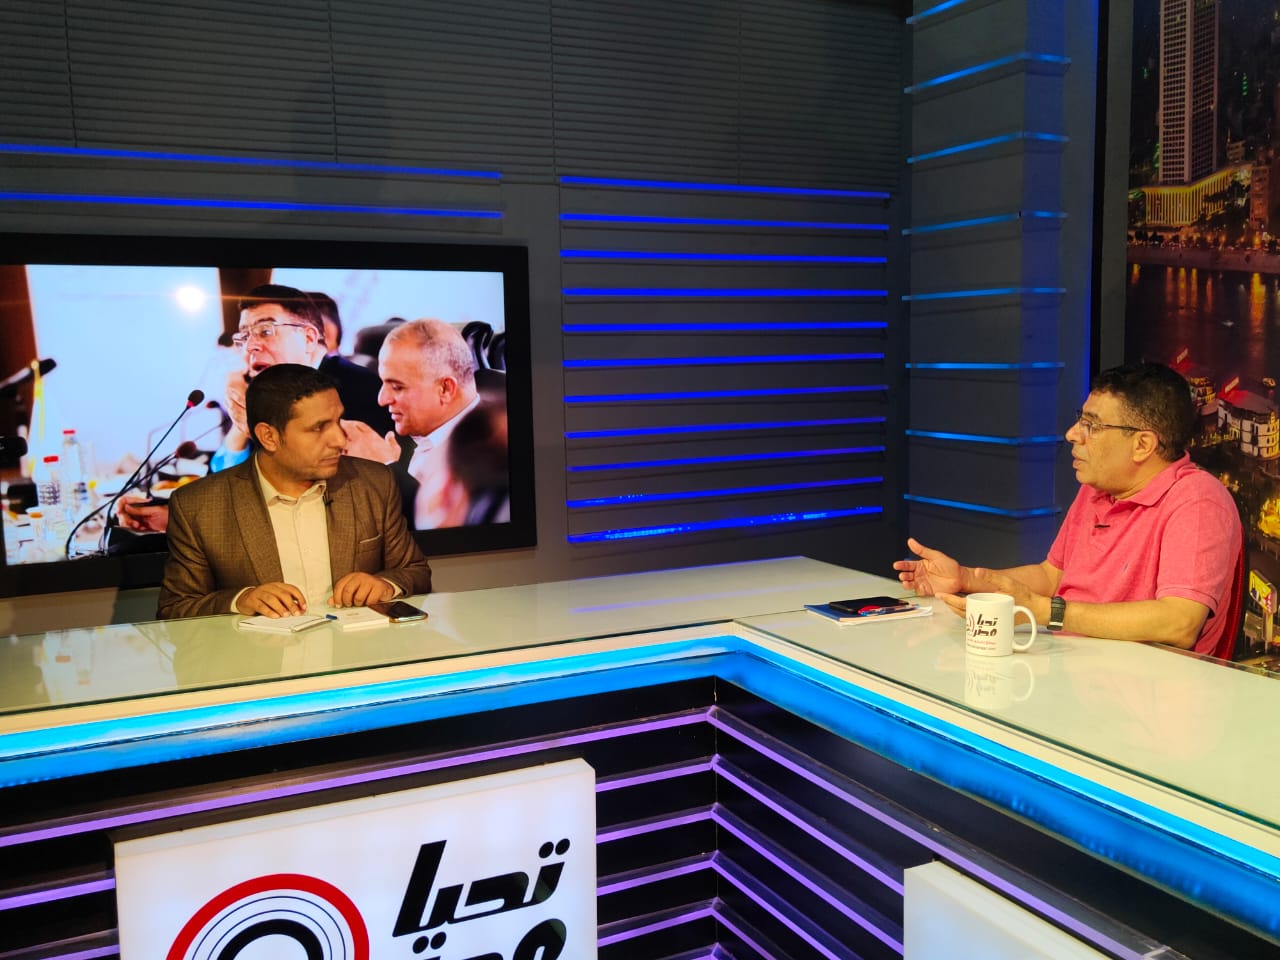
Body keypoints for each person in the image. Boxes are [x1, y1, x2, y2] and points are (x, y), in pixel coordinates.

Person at [894, 362, 1243, 656]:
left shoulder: (1197, 501)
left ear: (1142, 444)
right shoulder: (1096, 489)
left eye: (1092, 425)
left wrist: (1048, 612)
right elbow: (1052, 576)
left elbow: (1179, 622)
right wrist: (968, 579)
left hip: (1144, 696)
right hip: (1071, 669)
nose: (1072, 434)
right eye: (1080, 420)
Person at [156, 364, 432, 620]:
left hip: (357, 653)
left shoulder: (374, 482)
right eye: (319, 428)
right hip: (260, 655)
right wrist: (240, 601)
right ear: (269, 437)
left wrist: (385, 585)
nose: (339, 439)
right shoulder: (199, 506)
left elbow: (415, 572)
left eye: (338, 420)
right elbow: (175, 609)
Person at [118, 284, 391, 533]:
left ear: (309, 338)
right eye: (244, 337)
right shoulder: (274, 395)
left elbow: (325, 507)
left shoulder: (359, 389)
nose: (251, 346)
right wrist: (176, 517)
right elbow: (242, 488)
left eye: (265, 331)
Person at [343, 318, 490, 529]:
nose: (382, 399)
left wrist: (387, 470)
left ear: (445, 389)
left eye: (397, 387)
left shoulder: (491, 454)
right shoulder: (418, 434)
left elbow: (449, 537)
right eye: (384, 383)